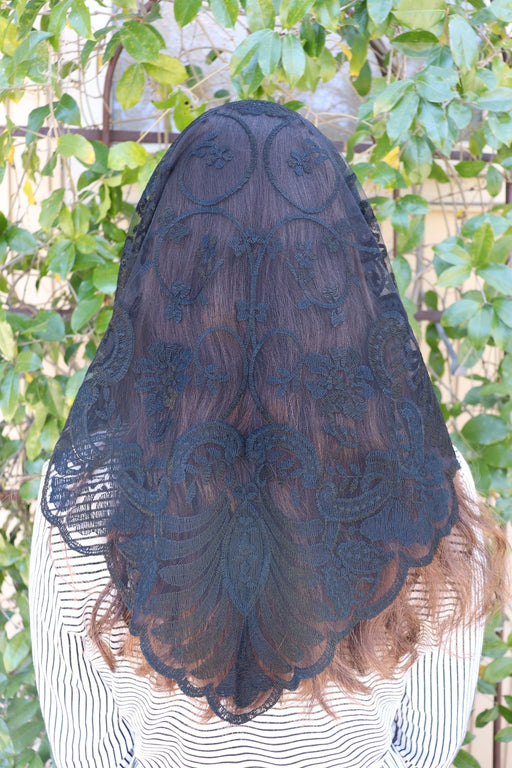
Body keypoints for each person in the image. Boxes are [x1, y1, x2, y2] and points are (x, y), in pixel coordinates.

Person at [30, 100, 505, 768]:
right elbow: (425, 750)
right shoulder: (427, 477)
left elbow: (89, 755)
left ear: (164, 271)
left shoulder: (88, 490)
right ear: (342, 273)